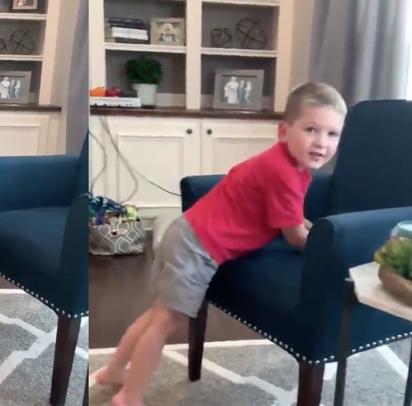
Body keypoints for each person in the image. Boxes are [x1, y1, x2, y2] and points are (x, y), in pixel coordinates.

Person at [94, 82, 347, 406]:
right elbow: (294, 235)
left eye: (332, 134)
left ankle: (113, 371)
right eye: (311, 129)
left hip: (187, 234)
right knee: (166, 322)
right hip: (196, 248)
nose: (322, 142)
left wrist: (311, 227)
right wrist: (328, 248)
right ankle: (130, 396)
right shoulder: (284, 173)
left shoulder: (287, 165)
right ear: (284, 131)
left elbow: (292, 218)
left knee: (155, 315)